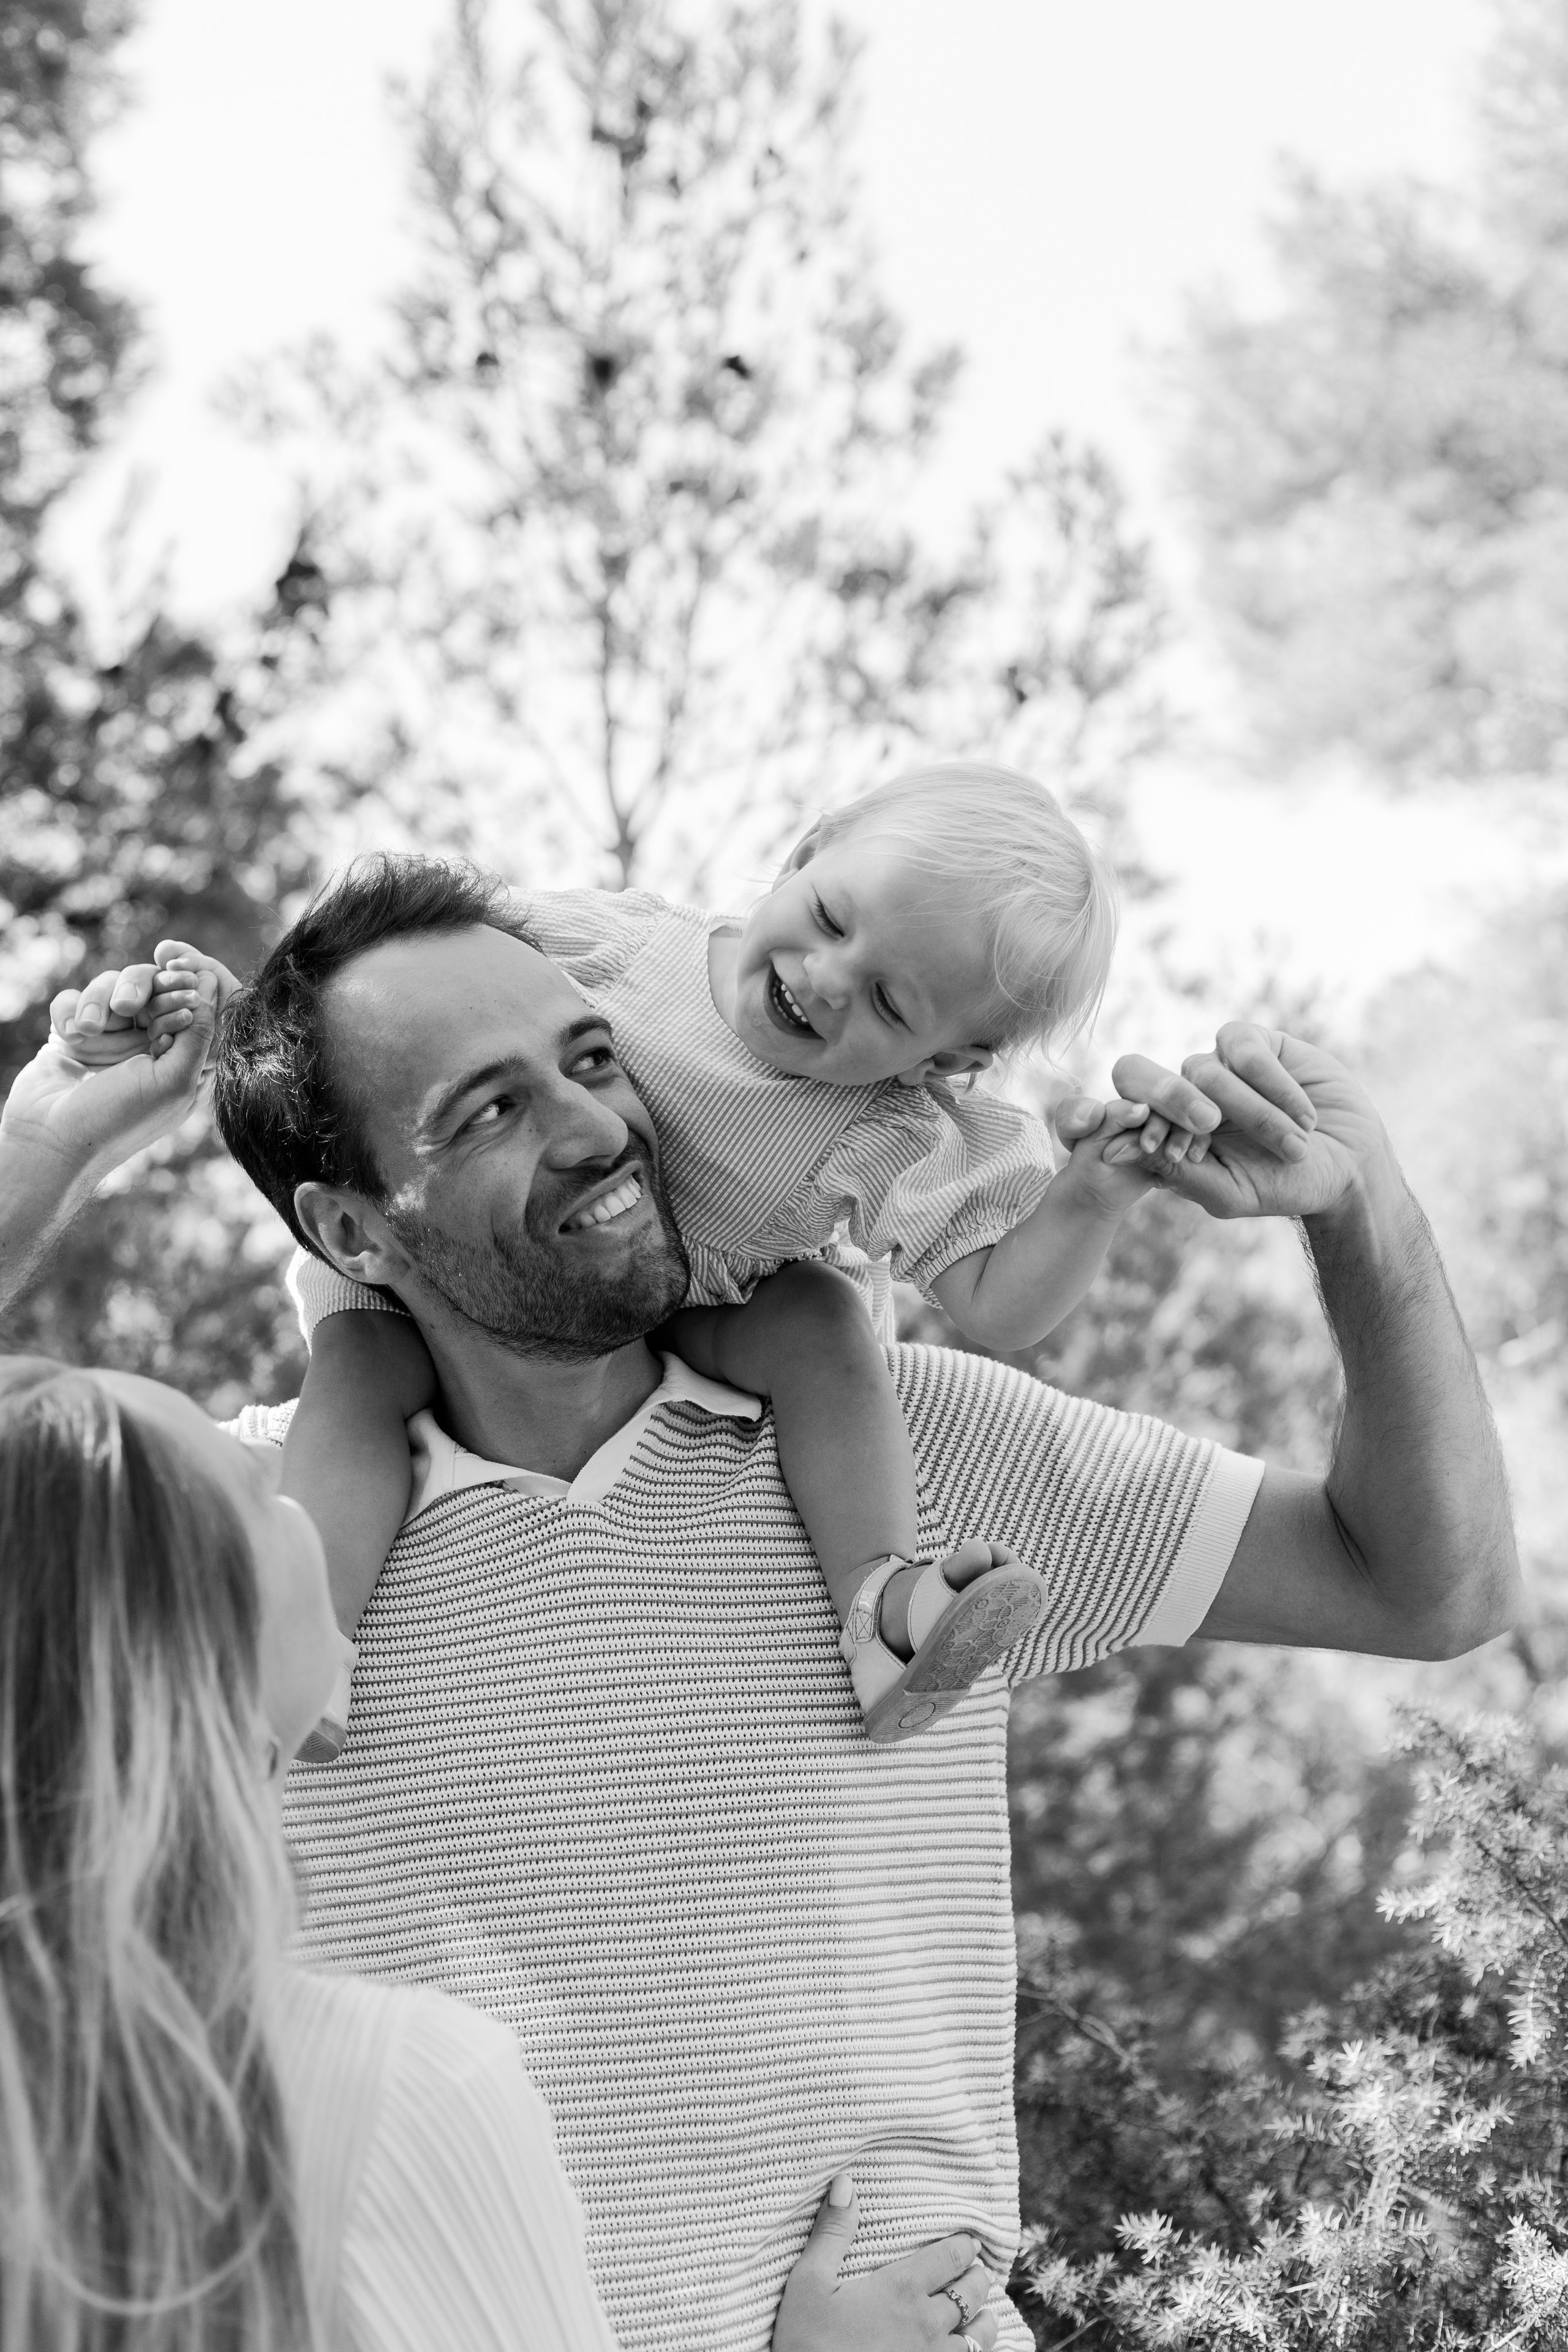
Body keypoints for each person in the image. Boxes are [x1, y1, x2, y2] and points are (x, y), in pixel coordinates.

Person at [209, 854, 1521, 2352]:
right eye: (488, 1110)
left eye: (588, 1059)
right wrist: (46, 1140)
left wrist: (1357, 1217)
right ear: (354, 1233)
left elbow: (1427, 1587)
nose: (591, 1127)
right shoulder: (247, 1554)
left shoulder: (902, 1442)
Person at [0, 957, 999, 2352]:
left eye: (593, 1060)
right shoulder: (389, 2086)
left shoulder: (109, 2079)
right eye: (248, 1496)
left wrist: (47, 1145)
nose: (301, 1486)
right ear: (169, 1639)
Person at [275, 766, 1259, 1754]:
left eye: (889, 1000)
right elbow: (395, 987)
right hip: (491, 1280)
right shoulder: (626, 946)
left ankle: (885, 1606)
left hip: (694, 1304)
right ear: (805, 854)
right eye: (832, 919)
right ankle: (308, 1642)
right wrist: (251, 1020)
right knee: (359, 1362)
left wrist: (1091, 1195)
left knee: (819, 1313)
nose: (828, 980)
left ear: (945, 1063)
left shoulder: (885, 1127)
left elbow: (1000, 1306)